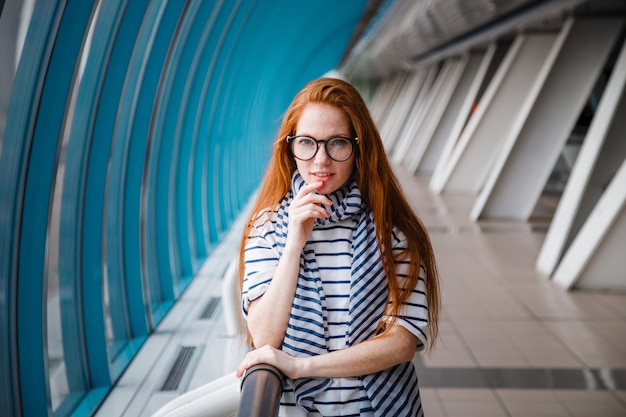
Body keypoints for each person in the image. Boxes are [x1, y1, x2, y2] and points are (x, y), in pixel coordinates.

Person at [235, 77, 440, 417]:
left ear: (359, 148)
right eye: (307, 143)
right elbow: (265, 335)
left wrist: (303, 365)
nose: (321, 160)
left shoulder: (394, 231)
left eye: (337, 143)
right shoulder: (268, 226)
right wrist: (293, 246)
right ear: (289, 147)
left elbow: (401, 343)